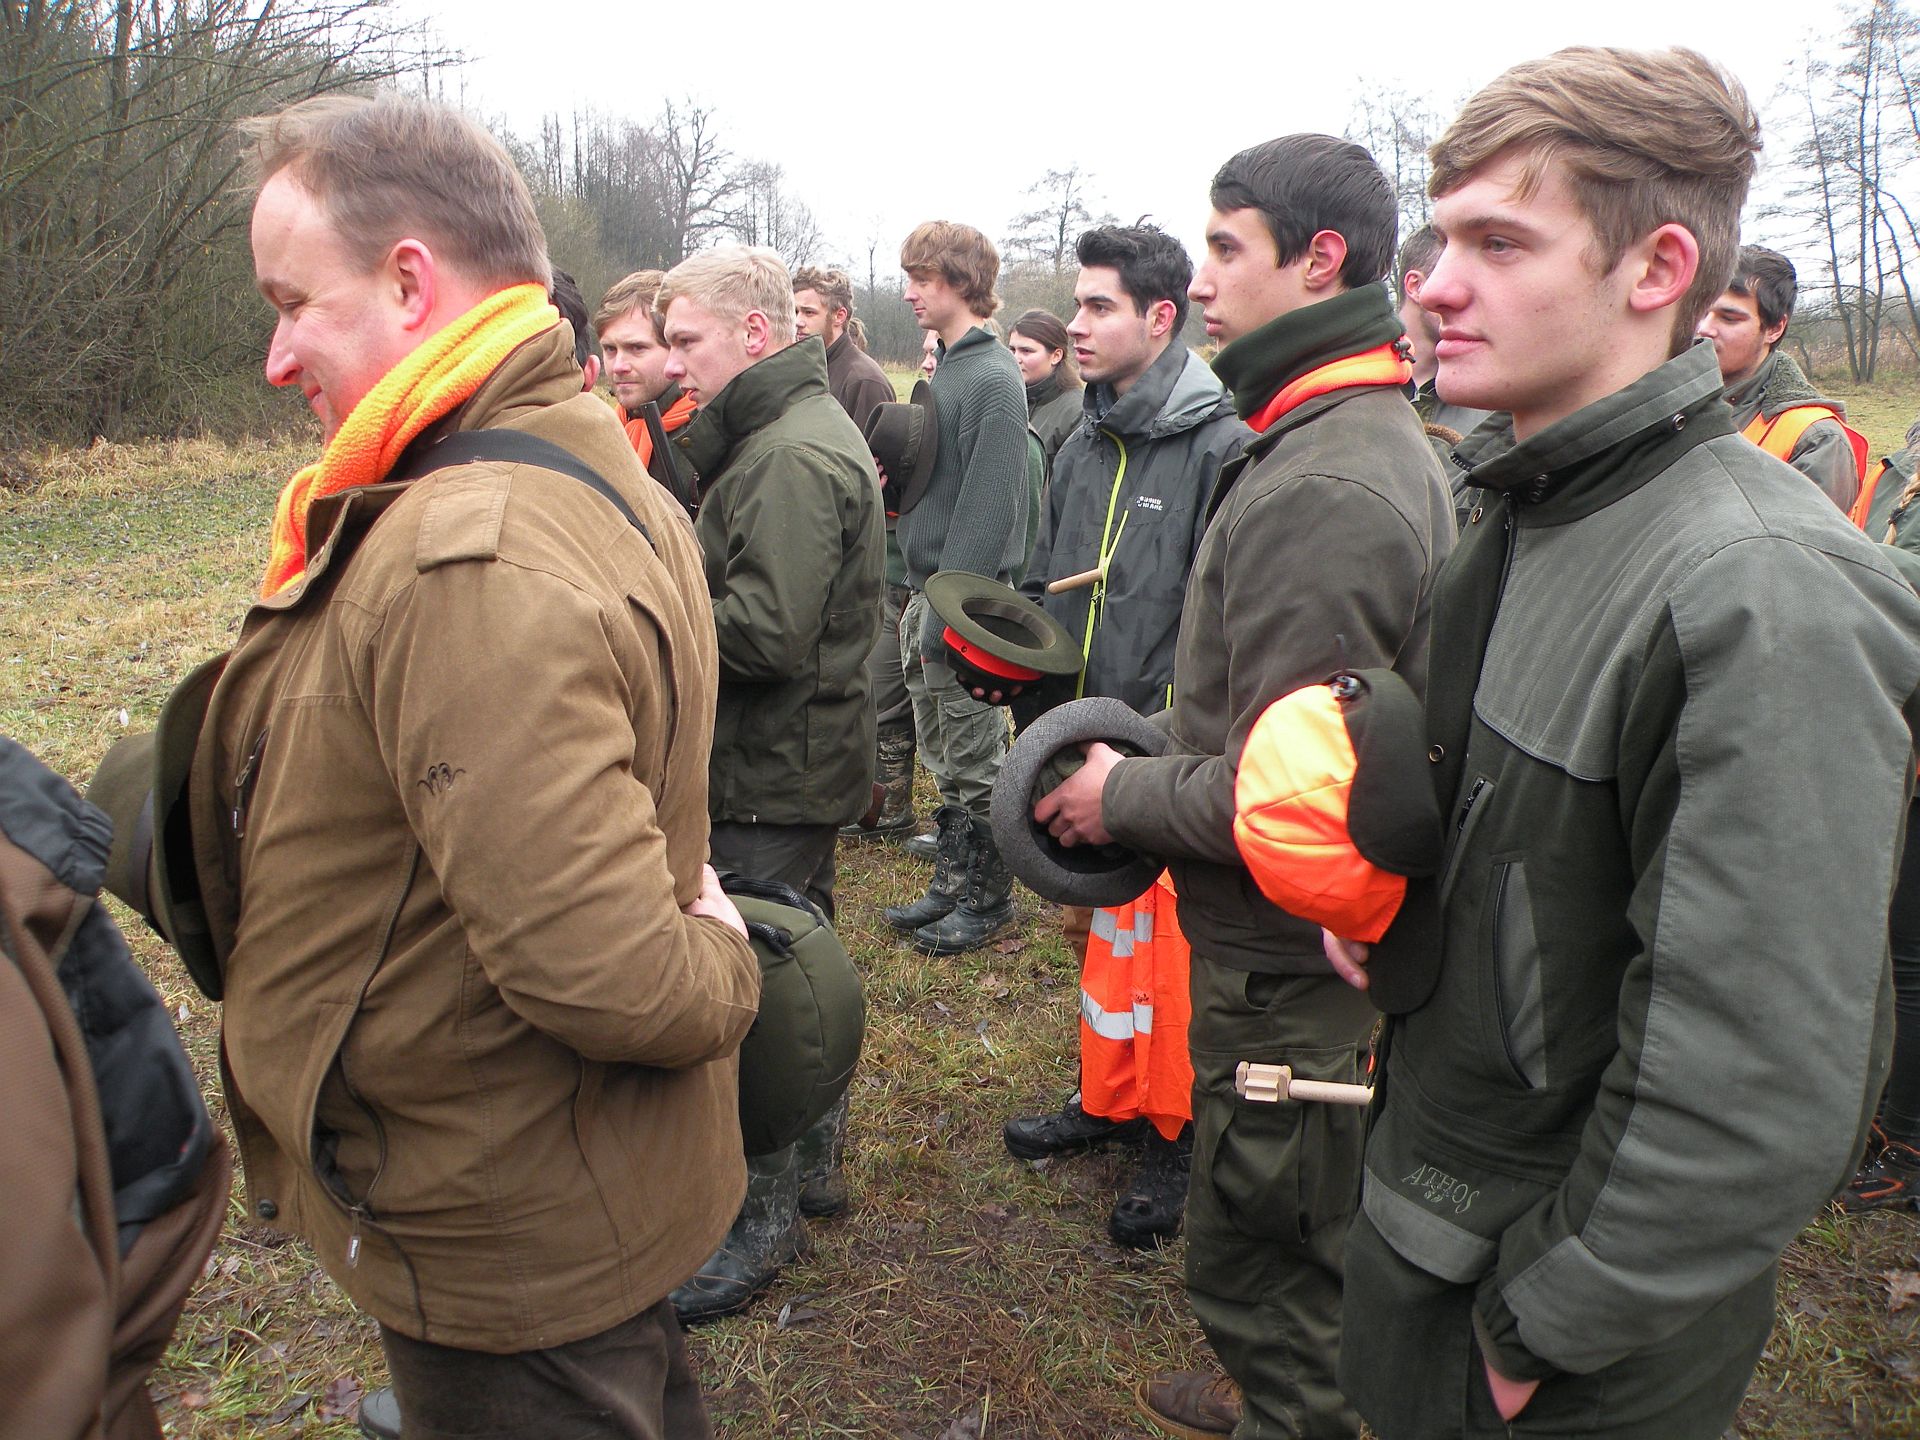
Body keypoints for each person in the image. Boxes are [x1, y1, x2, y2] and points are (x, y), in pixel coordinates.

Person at [148, 93, 763, 1440]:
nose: (274, 356)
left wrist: (728, 960)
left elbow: (609, 971)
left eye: (293, 303)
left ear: (410, 283)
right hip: (577, 1171)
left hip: (506, 1221)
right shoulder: (582, 452)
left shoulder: (465, 552)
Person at [1326, 48, 1920, 1440]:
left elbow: (1757, 1081)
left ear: (1658, 270)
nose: (1434, 284)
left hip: (1551, 1338)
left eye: (1499, 243)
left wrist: (1546, 1324)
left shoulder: (1757, 591)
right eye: (1440, 240)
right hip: (1434, 1223)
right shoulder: (1524, 508)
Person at [1034, 139, 1453, 1439]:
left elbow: (1302, 805)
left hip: (1292, 971)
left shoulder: (1326, 481)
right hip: (1287, 960)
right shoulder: (1323, 438)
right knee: (1267, 1236)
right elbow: (1266, 721)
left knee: (1275, 1265)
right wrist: (1149, 742)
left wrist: (1120, 799)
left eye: (1226, 247)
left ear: (1319, 260)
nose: (1203, 281)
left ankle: (1293, 1405)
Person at [1005, 224, 1248, 1249]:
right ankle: (1108, 1098)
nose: (1077, 322)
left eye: (1099, 305)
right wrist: (1012, 670)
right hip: (1079, 754)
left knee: (1175, 962)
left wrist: (1149, 755)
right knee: (1100, 944)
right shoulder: (1079, 441)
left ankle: (1176, 1132)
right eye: (1076, 303)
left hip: (1166, 766)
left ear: (1161, 317)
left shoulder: (1222, 448)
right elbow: (1048, 590)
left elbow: (1225, 632)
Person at [657, 245, 883, 1322]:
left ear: (755, 334)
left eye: (686, 340)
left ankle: (761, 1217)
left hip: (771, 768)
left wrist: (649, 609)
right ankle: (812, 1169)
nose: (672, 363)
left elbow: (766, 633)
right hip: (789, 758)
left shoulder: (789, 455)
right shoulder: (781, 433)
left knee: (767, 990)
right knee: (803, 963)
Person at [884, 220, 1031, 956]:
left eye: (923, 279)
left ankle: (989, 897)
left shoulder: (995, 379)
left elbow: (991, 504)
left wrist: (953, 616)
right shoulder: (949, 369)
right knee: (942, 749)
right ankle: (952, 879)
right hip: (926, 594)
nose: (910, 293)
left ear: (962, 283)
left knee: (977, 756)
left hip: (962, 605)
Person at [1698, 243, 1868, 510]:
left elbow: (1808, 537)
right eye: (1699, 311)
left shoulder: (1817, 440)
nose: (1704, 328)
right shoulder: (1670, 403)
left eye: (1729, 318)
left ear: (1775, 328)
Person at [597, 268, 699, 480]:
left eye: (637, 348)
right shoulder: (604, 434)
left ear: (675, 347)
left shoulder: (707, 437)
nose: (619, 366)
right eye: (610, 349)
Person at [792, 265, 895, 430]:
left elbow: (869, 447)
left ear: (839, 316)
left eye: (809, 312)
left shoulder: (864, 382)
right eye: (795, 312)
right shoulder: (803, 371)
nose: (798, 321)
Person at [1008, 307, 1083, 466]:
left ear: (1056, 356)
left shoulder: (1076, 412)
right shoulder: (1007, 398)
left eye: (1026, 351)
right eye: (1012, 350)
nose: (1015, 358)